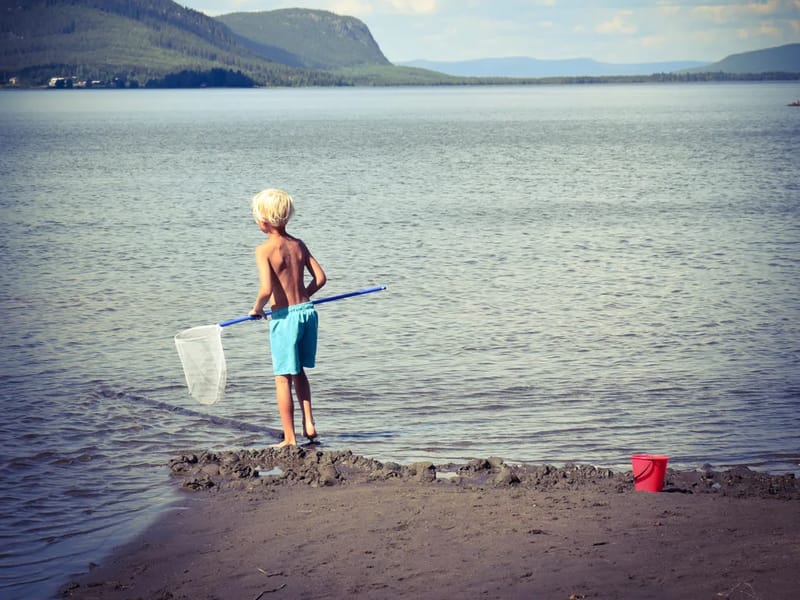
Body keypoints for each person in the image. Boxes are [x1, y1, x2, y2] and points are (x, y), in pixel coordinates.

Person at [248, 188, 327, 448]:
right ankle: (309, 424)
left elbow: (266, 290)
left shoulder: (264, 249)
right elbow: (321, 279)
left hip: (284, 319)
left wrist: (257, 309)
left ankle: (290, 438)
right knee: (299, 372)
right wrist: (304, 294)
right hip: (307, 313)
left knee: (282, 377)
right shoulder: (298, 244)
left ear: (264, 220)